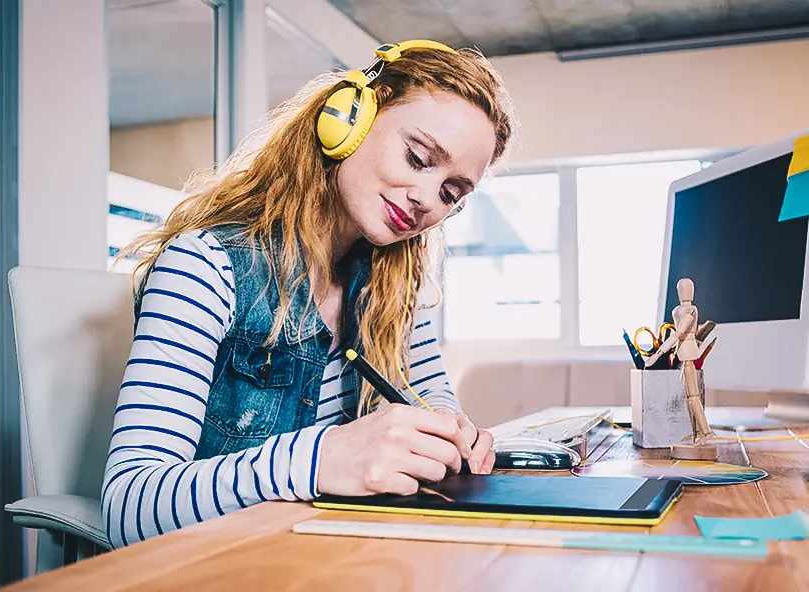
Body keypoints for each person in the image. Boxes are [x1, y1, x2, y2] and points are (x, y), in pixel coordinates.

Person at [102, 40, 516, 548]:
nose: (427, 199)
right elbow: (129, 507)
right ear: (348, 120)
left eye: (452, 193)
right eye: (418, 158)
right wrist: (323, 458)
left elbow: (429, 398)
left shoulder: (395, 286)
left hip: (334, 556)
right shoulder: (204, 267)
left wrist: (448, 435)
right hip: (220, 565)